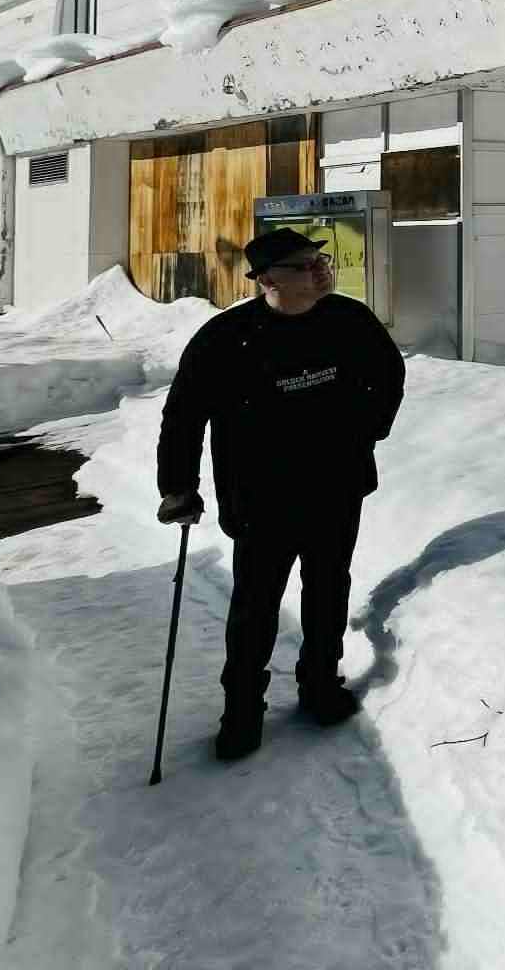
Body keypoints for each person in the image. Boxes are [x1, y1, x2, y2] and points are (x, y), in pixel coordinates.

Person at [156, 227, 406, 760]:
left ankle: (320, 686)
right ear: (268, 280)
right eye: (304, 265)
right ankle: (242, 711)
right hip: (259, 497)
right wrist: (178, 487)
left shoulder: (349, 320)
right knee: (255, 604)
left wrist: (366, 429)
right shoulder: (225, 339)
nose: (321, 271)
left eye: (320, 260)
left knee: (327, 590)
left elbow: (389, 375)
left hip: (336, 487)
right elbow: (183, 416)